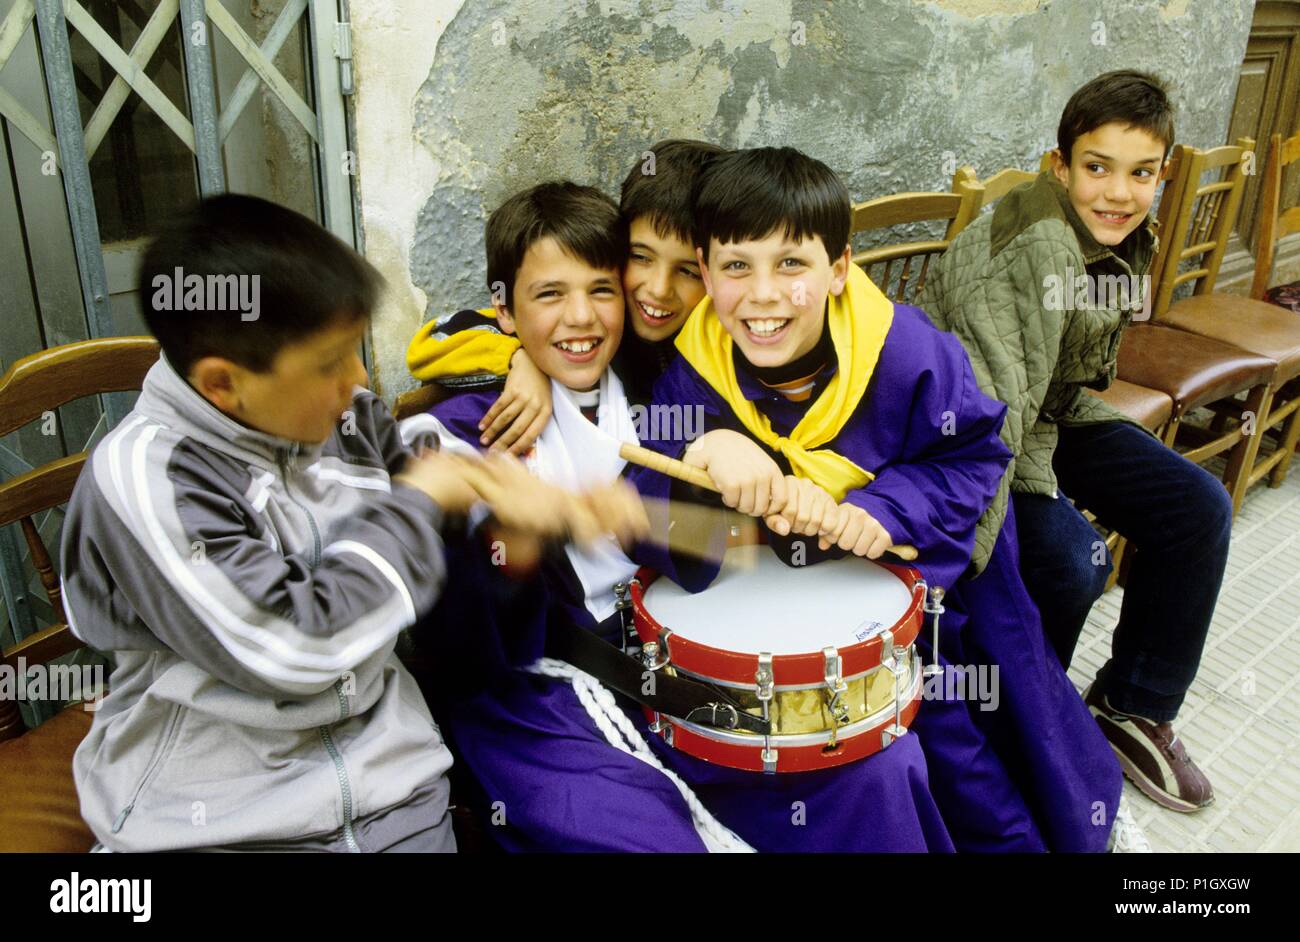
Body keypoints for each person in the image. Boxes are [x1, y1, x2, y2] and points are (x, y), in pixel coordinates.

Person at [409, 179, 955, 852]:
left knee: (876, 768)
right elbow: (445, 602)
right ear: (505, 310)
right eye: (550, 295)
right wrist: (502, 530)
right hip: (541, 692)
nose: (581, 317)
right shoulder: (472, 428)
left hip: (671, 661)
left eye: (602, 290)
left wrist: (722, 475)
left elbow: (707, 549)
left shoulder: (655, 387)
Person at [632, 146, 1123, 851]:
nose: (763, 295)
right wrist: (698, 460)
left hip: (923, 589)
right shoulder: (695, 367)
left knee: (957, 747)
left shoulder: (908, 352)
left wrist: (881, 511)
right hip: (795, 612)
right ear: (706, 274)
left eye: (792, 264)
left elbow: (976, 453)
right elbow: (641, 503)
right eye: (737, 266)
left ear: (839, 270)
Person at [60, 194, 578, 852]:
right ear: (223, 384)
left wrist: (513, 526)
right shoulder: (147, 481)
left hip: (392, 780)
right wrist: (420, 503)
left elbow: (435, 494)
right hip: (220, 813)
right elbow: (299, 648)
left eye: (355, 350)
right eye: (330, 363)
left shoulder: (348, 419)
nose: (360, 379)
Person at [921, 70, 1227, 812]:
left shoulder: (1120, 231)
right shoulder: (1038, 247)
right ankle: (1027, 719)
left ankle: (1130, 705)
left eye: (1141, 172)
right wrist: (950, 570)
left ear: (1162, 171)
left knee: (1195, 506)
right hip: (966, 430)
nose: (1118, 191)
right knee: (1070, 561)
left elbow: (1055, 383)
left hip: (1048, 410)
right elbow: (993, 416)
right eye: (1097, 167)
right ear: (1058, 166)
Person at [405, 139, 725, 453]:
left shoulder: (721, 345)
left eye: (689, 272)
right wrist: (517, 360)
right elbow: (441, 336)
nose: (658, 289)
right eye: (640, 257)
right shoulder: (598, 324)